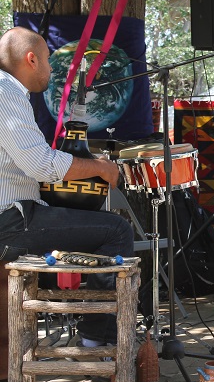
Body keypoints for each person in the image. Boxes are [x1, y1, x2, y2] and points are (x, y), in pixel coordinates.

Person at [0, 27, 134, 348]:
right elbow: (41, 165)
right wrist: (100, 168)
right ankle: (95, 342)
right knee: (117, 231)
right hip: (11, 222)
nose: (50, 69)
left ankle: (91, 334)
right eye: (47, 60)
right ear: (31, 59)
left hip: (15, 216)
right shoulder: (6, 93)